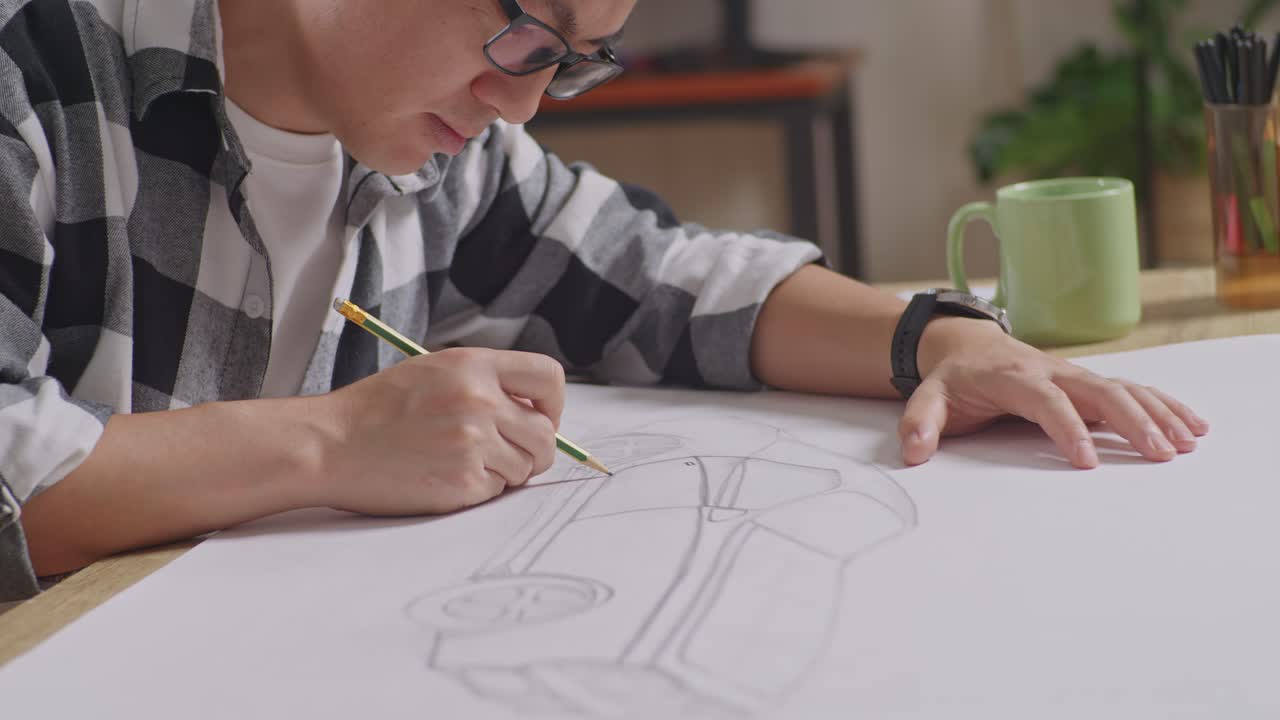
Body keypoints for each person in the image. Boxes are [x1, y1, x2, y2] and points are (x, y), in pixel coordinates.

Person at [0, 0, 1207, 601]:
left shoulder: (439, 157)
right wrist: (331, 441)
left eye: (574, 61)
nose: (520, 101)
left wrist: (932, 339)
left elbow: (659, 276)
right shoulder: (33, 75)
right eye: (528, 33)